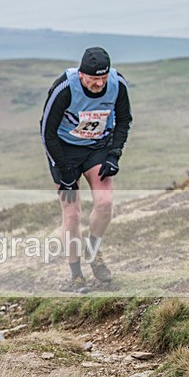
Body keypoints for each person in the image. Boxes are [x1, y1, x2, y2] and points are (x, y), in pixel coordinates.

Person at [40, 46, 132, 293]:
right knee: (72, 214)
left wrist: (114, 154)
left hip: (97, 148)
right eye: (93, 79)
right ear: (82, 75)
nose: (99, 84)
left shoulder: (117, 84)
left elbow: (124, 120)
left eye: (103, 78)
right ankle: (76, 274)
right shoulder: (65, 88)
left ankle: (93, 250)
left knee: (105, 204)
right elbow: (46, 132)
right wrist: (65, 171)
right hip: (64, 150)